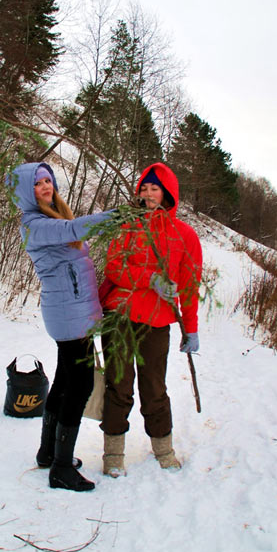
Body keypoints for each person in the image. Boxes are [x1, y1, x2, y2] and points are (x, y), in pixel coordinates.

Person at [8, 162, 113, 492]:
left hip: (73, 310)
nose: (45, 186)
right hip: (69, 315)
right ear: (26, 191)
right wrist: (116, 217)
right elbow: (74, 231)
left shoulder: (53, 216)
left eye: (47, 180)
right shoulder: (35, 224)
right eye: (37, 183)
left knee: (66, 382)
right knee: (79, 387)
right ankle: (62, 468)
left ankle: (48, 453)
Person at [100, 162, 202, 477]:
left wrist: (192, 328)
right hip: (119, 314)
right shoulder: (129, 226)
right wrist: (151, 278)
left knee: (154, 387)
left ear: (167, 192)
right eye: (143, 188)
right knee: (119, 385)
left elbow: (189, 286)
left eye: (154, 188)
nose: (147, 194)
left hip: (157, 322)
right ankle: (113, 454)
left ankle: (163, 449)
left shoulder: (185, 235)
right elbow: (115, 269)